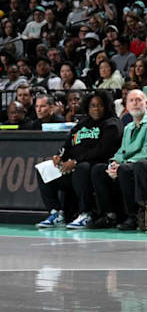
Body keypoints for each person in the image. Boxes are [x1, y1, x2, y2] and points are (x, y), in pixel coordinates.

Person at [34, 91, 123, 229]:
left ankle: (85, 213)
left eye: (100, 105)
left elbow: (102, 150)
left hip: (97, 166)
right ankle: (56, 212)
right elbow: (68, 144)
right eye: (92, 106)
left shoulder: (112, 124)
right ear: (87, 107)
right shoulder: (82, 124)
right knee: (44, 168)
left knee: (82, 168)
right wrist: (59, 156)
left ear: (106, 106)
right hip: (74, 167)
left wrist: (76, 162)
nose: (96, 109)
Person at [89, 89, 147, 230]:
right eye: (131, 101)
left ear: (146, 103)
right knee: (98, 170)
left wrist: (124, 164)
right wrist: (114, 163)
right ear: (126, 105)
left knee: (125, 170)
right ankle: (109, 215)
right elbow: (122, 151)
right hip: (130, 165)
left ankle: (134, 215)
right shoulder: (128, 127)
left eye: (138, 100)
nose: (135, 103)